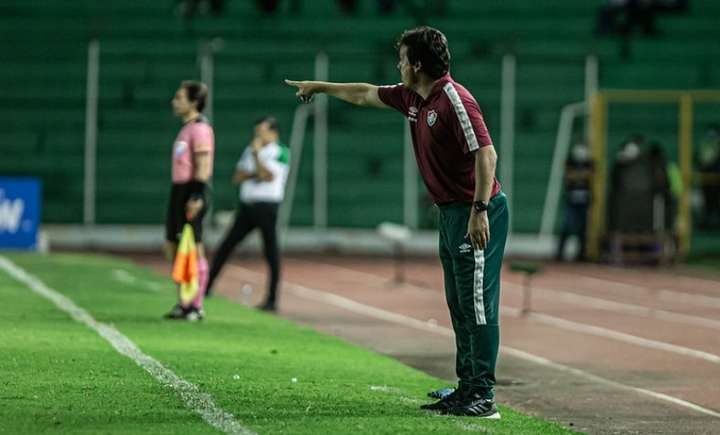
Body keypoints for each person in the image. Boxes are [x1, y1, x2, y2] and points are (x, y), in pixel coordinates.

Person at [286, 25, 508, 419]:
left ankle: (483, 396)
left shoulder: (454, 99)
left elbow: (487, 155)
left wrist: (479, 211)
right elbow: (365, 92)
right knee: (459, 304)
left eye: (403, 58)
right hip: (451, 212)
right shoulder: (413, 97)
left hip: (475, 212)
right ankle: (466, 387)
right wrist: (319, 86)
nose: (399, 64)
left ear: (417, 64)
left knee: (476, 305)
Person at [205, 116, 290, 312]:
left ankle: (271, 300)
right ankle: (207, 287)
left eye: (262, 131)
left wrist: (257, 159)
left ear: (273, 133)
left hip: (267, 207)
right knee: (226, 246)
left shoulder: (281, 152)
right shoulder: (249, 150)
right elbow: (237, 176)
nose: (258, 135)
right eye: (257, 131)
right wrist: (255, 167)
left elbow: (267, 176)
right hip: (247, 207)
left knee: (271, 253)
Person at [164, 80, 215, 321]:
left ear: (194, 102)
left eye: (179, 97)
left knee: (194, 247)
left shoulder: (200, 129)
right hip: (179, 190)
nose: (175, 102)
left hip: (191, 191)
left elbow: (203, 166)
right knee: (173, 247)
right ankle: (184, 301)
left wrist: (196, 196)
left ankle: (196, 304)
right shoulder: (186, 128)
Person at [556, 142, 593, 262]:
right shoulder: (570, 161)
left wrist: (577, 176)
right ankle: (560, 252)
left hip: (584, 200)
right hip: (571, 199)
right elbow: (569, 176)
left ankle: (582, 253)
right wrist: (581, 176)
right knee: (567, 225)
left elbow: (589, 175)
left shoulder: (589, 163)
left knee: (583, 228)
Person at [697, 124, 720, 230]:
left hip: (717, 180)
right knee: (707, 203)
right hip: (706, 180)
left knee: (717, 203)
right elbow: (699, 160)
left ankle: (718, 224)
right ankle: (706, 223)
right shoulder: (705, 145)